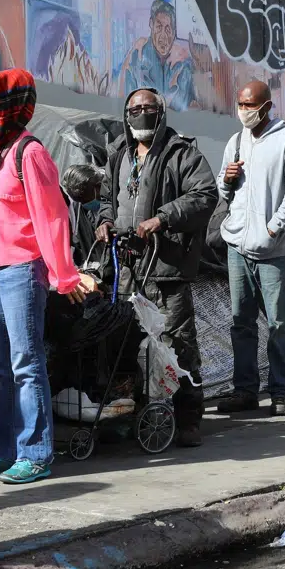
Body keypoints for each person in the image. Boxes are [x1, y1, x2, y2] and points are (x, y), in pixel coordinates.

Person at [0, 69, 98, 485]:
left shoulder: (29, 152)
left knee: (26, 364)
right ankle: (7, 450)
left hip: (21, 270)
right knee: (1, 366)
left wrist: (64, 275)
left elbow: (51, 216)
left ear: (10, 105)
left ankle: (35, 452)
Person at [96, 88, 217, 445]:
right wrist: (104, 221)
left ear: (161, 112)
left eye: (148, 107)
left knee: (178, 344)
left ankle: (189, 418)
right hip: (127, 267)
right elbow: (106, 198)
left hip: (166, 267)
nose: (141, 113)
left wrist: (161, 219)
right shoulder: (119, 152)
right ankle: (129, 415)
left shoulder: (181, 152)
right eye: (134, 108)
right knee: (123, 343)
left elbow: (205, 195)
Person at [216, 81, 285, 417]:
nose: (244, 111)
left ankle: (282, 391)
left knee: (279, 324)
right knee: (241, 322)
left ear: (267, 107)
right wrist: (226, 179)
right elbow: (224, 195)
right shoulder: (235, 142)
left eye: (249, 105)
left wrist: (274, 227)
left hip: (271, 249)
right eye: (240, 104)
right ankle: (245, 391)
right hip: (237, 245)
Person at [117, 1, 195, 111]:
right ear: (151, 24)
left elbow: (189, 107)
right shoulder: (135, 59)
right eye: (159, 27)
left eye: (168, 29)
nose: (163, 36)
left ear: (174, 32)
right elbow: (125, 103)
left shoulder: (183, 64)